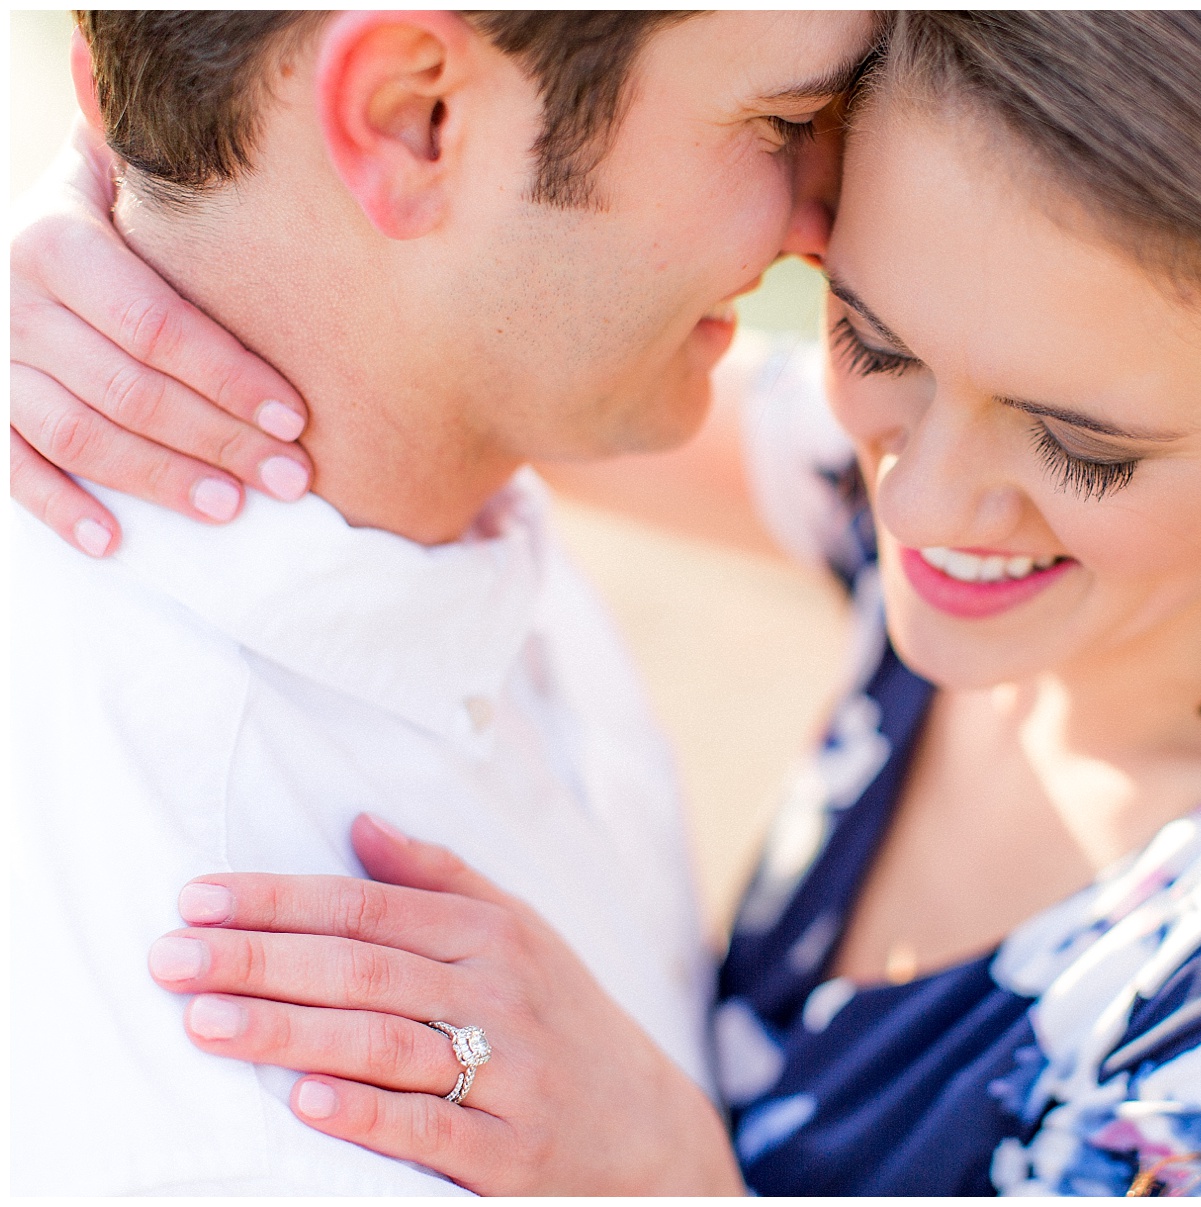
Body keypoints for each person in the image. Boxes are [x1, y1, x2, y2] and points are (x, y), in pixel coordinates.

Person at [12, 11, 1201, 1198]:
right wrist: (109, 239)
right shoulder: (956, 530)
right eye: (874, 339)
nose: (929, 498)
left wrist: (669, 1186)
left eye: (1084, 445)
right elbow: (477, 337)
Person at [8, 9, 874, 1195]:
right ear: (417, 120)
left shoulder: (452, 473)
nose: (824, 221)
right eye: (782, 123)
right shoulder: (261, 1089)